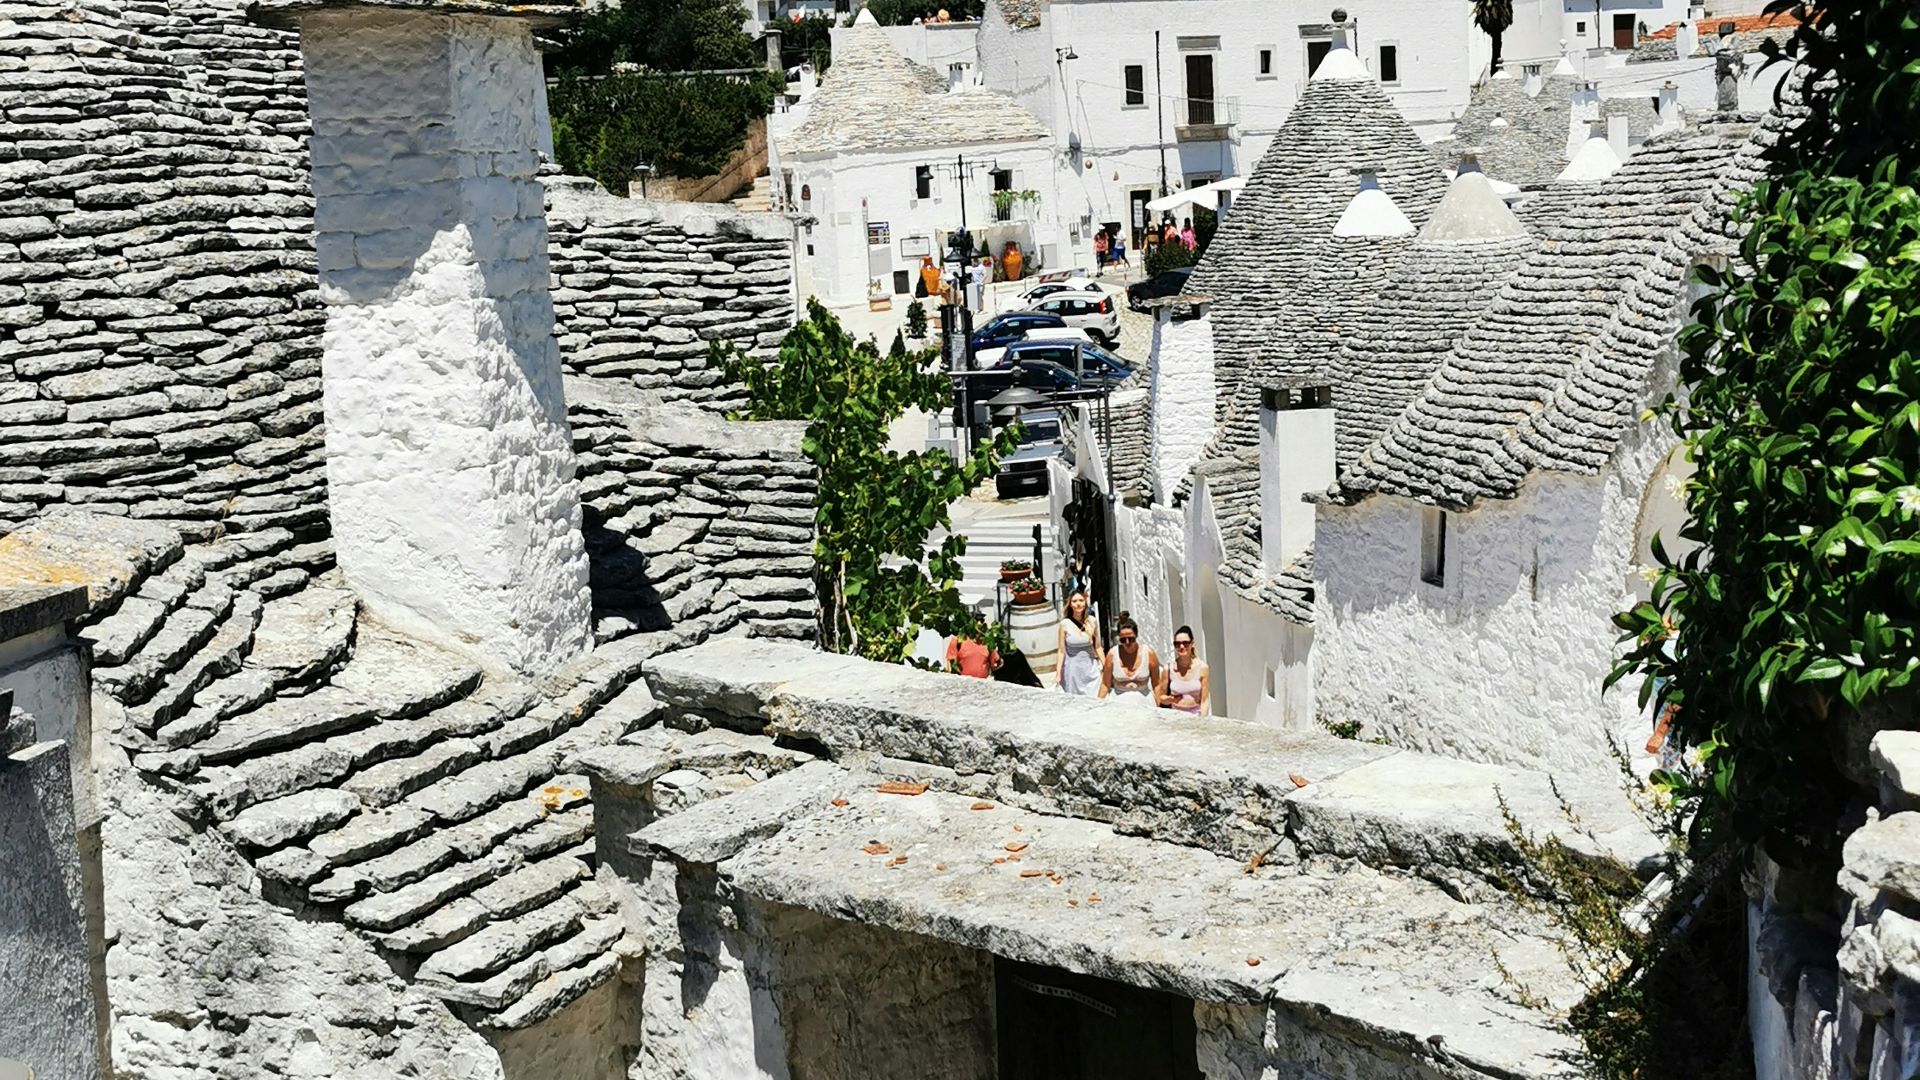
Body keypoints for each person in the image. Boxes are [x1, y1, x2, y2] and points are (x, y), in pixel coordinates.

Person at [1098, 611, 1160, 704]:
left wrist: (1160, 707)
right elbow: (1105, 684)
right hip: (1118, 702)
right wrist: (1098, 704)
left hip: (1144, 702)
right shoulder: (1112, 654)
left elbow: (1156, 684)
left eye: (1131, 639)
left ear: (1136, 635)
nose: (1127, 642)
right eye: (1123, 640)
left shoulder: (1149, 654)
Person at [1054, 590, 1101, 696]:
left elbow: (1098, 647)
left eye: (1081, 600)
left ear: (1085, 602)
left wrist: (1106, 666)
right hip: (1072, 670)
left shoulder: (1092, 621)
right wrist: (1058, 674)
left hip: (1090, 669)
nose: (1078, 604)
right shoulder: (1064, 624)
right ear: (1070, 604)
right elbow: (1061, 651)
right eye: (1074, 601)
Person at [1157, 625, 1210, 714]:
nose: (1181, 646)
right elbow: (1161, 697)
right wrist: (1170, 699)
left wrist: (1203, 719)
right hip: (1175, 715)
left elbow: (1205, 700)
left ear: (1192, 644)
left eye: (1185, 643)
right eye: (1177, 644)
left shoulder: (1202, 668)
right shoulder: (1168, 669)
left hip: (1195, 715)